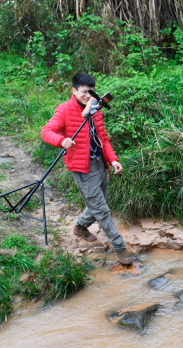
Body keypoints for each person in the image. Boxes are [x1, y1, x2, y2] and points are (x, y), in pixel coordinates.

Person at [41, 72, 136, 265]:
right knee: (101, 210)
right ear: (74, 90)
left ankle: (80, 227)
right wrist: (62, 140)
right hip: (82, 168)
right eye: (84, 92)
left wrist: (113, 160)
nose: (88, 95)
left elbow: (104, 138)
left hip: (99, 164)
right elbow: (46, 132)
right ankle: (121, 250)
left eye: (91, 91)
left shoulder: (95, 108)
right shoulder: (64, 110)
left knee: (98, 204)